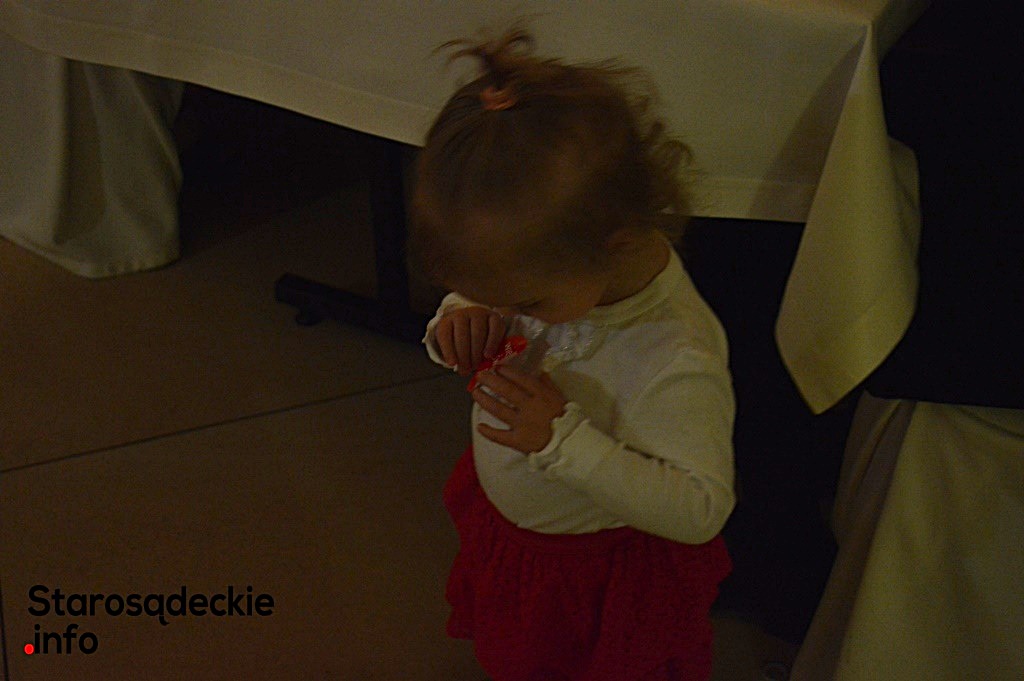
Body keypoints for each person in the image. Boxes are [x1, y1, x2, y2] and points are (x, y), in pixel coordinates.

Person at [410, 27, 735, 681]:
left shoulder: (675, 354)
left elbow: (700, 508)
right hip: (521, 544)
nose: (512, 311)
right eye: (487, 293)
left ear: (617, 243)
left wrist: (562, 440)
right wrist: (456, 320)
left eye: (524, 300)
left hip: (592, 576)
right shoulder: (555, 268)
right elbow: (498, 296)